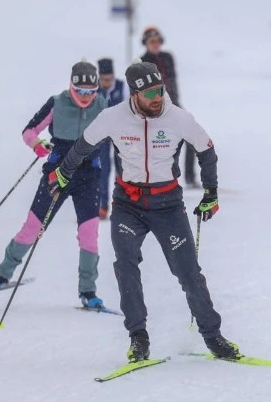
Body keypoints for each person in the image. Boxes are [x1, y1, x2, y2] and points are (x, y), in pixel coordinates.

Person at [47, 61, 240, 362]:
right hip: (128, 204)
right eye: (150, 93)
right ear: (135, 94)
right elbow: (83, 146)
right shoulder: (113, 117)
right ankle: (138, 337)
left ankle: (213, 337)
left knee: (188, 274)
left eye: (160, 90)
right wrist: (63, 173)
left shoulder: (178, 118)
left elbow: (206, 150)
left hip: (168, 205)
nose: (157, 97)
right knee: (126, 266)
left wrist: (210, 192)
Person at [0, 61, 109, 309]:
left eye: (90, 92)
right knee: (32, 228)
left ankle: (88, 291)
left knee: (89, 234)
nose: (84, 97)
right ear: (70, 87)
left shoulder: (103, 106)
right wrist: (37, 145)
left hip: (88, 176)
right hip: (56, 175)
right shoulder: (57, 103)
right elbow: (29, 130)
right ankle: (2, 274)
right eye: (79, 91)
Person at [140, 26, 199, 188]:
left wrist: (175, 102)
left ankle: (190, 177)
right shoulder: (143, 61)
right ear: (146, 43)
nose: (155, 44)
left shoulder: (167, 57)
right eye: (152, 41)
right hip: (155, 108)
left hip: (173, 103)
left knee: (191, 135)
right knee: (161, 144)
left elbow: (172, 82)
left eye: (157, 41)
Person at [96, 57, 129, 220]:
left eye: (109, 79)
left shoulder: (123, 87)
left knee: (120, 169)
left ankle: (119, 204)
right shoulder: (94, 89)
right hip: (102, 135)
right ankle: (102, 205)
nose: (106, 83)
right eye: (103, 80)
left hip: (119, 134)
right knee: (103, 170)